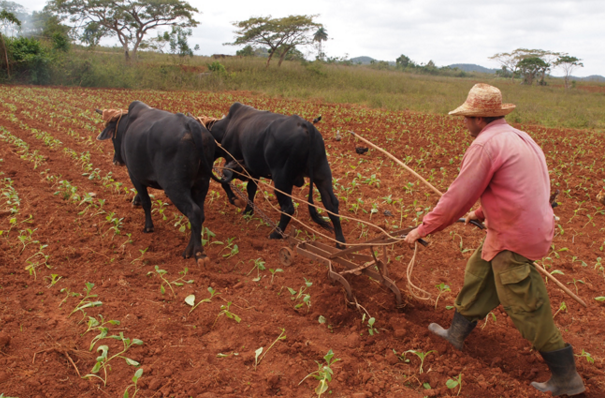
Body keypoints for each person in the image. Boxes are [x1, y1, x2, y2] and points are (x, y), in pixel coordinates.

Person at [403, 83, 585, 396]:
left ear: (478, 118)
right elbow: (518, 187)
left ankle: (567, 379)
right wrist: (482, 213)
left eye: (467, 118)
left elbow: (457, 197)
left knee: (525, 303)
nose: (465, 124)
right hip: (522, 226)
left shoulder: (485, 145)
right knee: (480, 271)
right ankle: (455, 335)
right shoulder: (519, 137)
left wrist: (423, 229)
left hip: (515, 236)